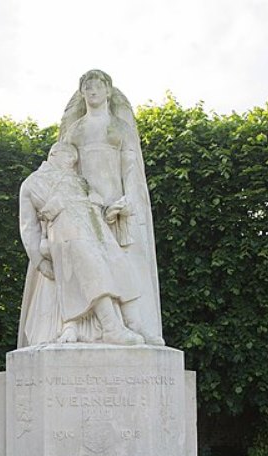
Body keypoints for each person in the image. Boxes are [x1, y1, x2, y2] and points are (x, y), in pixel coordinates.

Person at [59, 69, 165, 345]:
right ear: (82, 94)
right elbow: (66, 170)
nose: (92, 91)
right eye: (87, 87)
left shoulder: (121, 128)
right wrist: (84, 199)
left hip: (119, 207)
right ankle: (97, 327)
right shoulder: (75, 130)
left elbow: (131, 168)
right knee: (93, 266)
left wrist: (129, 198)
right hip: (86, 208)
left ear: (108, 91)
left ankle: (135, 324)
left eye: (97, 86)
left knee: (125, 265)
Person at [17, 142, 144, 347]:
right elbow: (28, 227)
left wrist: (110, 213)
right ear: (54, 155)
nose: (73, 164)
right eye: (70, 159)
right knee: (92, 265)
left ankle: (133, 323)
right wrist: (40, 262)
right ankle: (111, 327)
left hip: (96, 231)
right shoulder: (33, 183)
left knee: (119, 262)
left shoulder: (79, 180)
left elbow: (96, 209)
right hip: (64, 233)